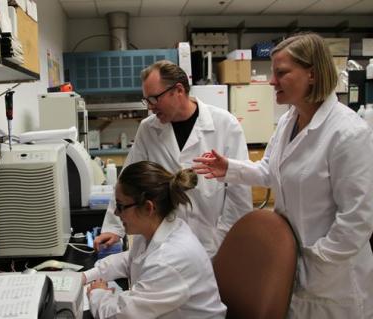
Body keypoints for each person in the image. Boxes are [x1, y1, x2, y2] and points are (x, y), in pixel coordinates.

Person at [193, 32, 373, 318]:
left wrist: (314, 262)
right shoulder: (290, 119)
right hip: (293, 271)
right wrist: (230, 168)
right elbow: (270, 170)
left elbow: (357, 221)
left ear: (311, 75)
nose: (272, 81)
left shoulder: (347, 133)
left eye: (281, 73)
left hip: (333, 282)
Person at [94, 60, 252, 258]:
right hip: (161, 241)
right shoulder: (148, 129)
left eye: (154, 99)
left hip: (212, 242)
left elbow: (239, 193)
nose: (150, 107)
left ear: (178, 90)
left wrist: (226, 240)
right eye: (146, 100)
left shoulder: (225, 125)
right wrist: (113, 228)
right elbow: (128, 180)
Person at [83, 161, 226, 319]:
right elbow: (131, 260)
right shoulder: (161, 228)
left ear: (148, 208)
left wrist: (98, 294)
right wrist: (89, 275)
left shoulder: (169, 259)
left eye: (121, 206)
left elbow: (119, 316)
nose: (116, 213)